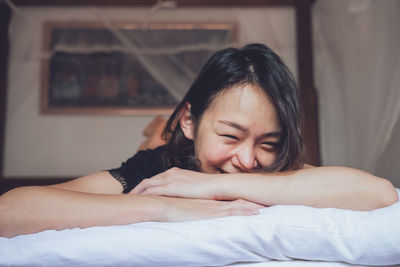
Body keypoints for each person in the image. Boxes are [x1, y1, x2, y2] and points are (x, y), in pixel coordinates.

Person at [0, 43, 397, 238]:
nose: (247, 158)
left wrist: (213, 183)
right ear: (189, 121)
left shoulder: (279, 171)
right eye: (229, 136)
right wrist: (162, 209)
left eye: (268, 143)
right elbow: (10, 212)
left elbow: (378, 194)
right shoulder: (156, 170)